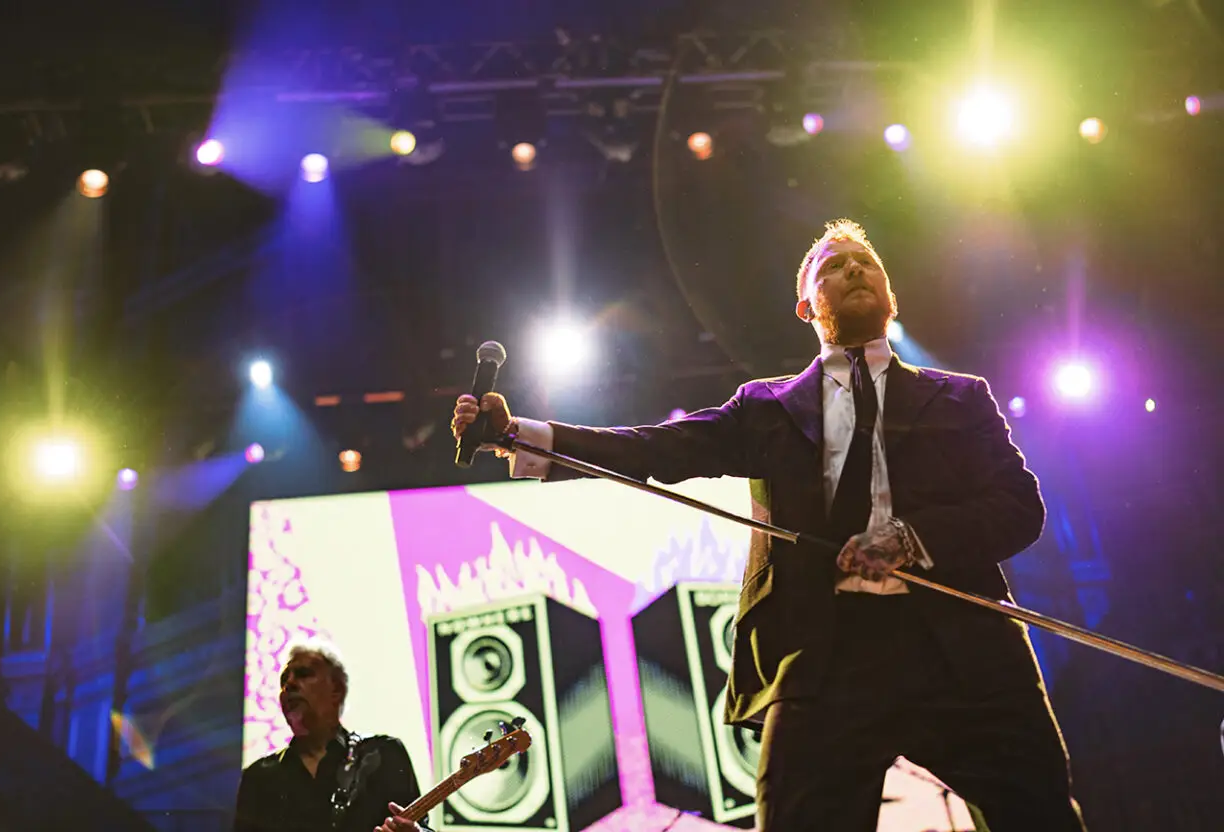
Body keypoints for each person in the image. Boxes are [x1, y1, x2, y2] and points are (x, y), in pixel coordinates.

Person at [451, 219, 1087, 831]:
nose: (854, 270)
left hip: (966, 655)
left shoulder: (962, 396)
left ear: (891, 297)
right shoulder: (766, 406)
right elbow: (656, 448)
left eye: (865, 262)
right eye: (833, 267)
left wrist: (911, 538)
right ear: (806, 307)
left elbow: (1019, 507)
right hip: (826, 659)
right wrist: (516, 435)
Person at [233, 641, 428, 832]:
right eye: (283, 680)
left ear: (337, 690)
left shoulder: (384, 754)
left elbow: (421, 827)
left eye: (303, 674)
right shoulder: (257, 777)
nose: (289, 684)